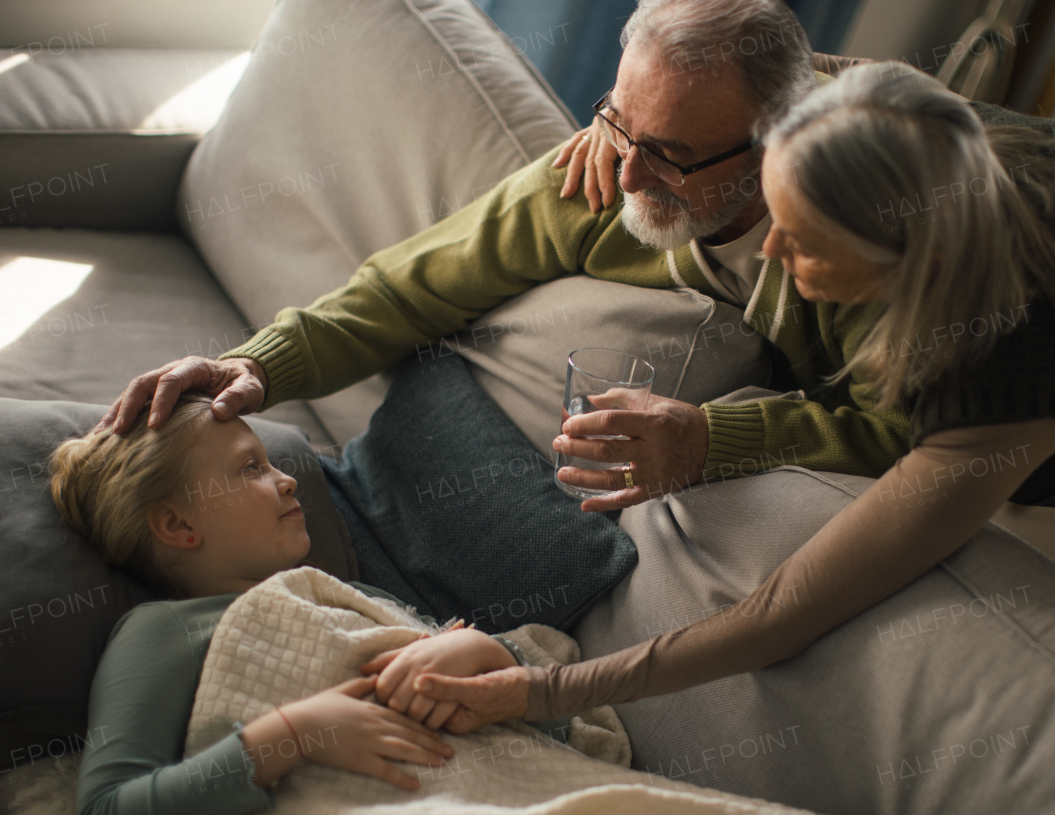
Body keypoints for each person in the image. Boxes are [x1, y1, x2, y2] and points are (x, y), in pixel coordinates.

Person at [404, 60, 1055, 732]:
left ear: (913, 261)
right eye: (772, 209)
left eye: (808, 242)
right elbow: (770, 67)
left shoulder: (1017, 364)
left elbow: (782, 614)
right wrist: (632, 126)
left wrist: (542, 688)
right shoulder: (905, 130)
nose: (773, 253)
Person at [94, 1, 912, 572]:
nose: (627, 172)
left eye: (668, 152)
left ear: (775, 143)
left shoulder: (858, 242)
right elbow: (406, 290)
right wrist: (258, 366)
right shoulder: (597, 178)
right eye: (617, 119)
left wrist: (712, 440)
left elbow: (914, 432)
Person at [51, 392, 528, 815]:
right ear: (178, 526)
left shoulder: (356, 600)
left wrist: (489, 654)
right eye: (251, 467)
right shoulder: (163, 629)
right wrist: (295, 733)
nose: (288, 480)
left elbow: (555, 718)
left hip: (513, 800)